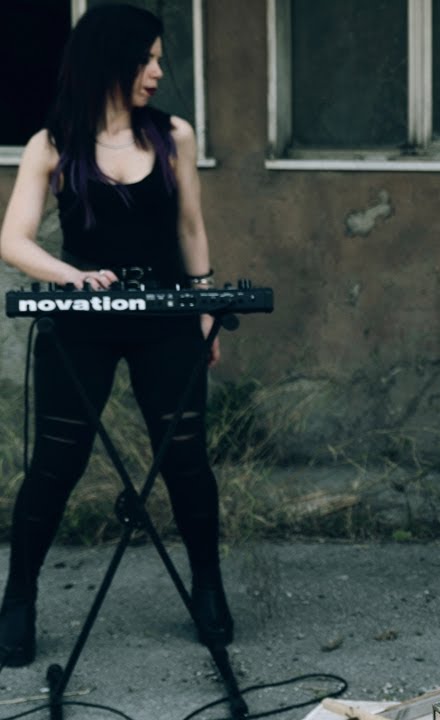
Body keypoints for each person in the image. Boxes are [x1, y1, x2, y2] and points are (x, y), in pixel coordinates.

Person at [0, 4, 232, 667]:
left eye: (159, 59)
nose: (158, 71)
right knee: (57, 463)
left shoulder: (174, 136)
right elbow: (13, 239)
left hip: (165, 320)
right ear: (112, 60)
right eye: (147, 59)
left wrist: (204, 305)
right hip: (83, 324)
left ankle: (208, 589)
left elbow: (190, 227)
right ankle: (18, 598)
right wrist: (71, 276)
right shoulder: (53, 143)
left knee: (185, 459)